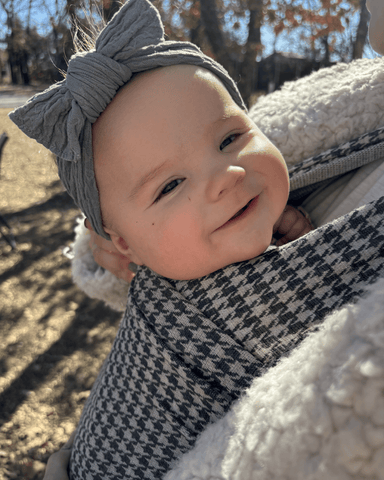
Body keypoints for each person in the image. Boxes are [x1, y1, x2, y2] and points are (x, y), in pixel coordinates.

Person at [10, 0, 384, 478]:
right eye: (170, 186)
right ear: (126, 247)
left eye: (230, 140)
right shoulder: (342, 92)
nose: (225, 175)